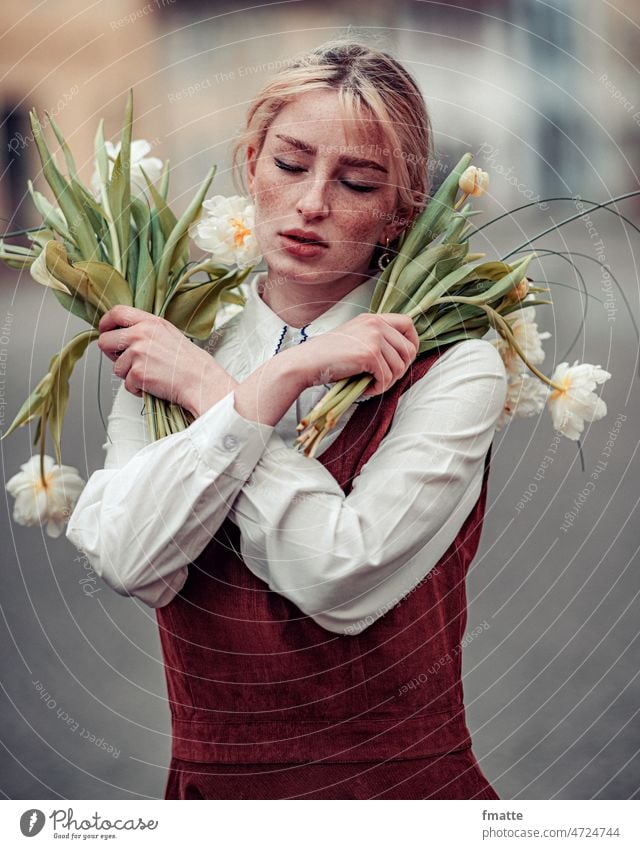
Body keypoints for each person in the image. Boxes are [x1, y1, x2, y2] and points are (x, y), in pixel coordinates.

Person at [67, 39, 507, 800]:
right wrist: (273, 381)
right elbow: (131, 559)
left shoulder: (457, 368)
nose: (312, 203)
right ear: (250, 164)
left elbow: (339, 574)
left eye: (358, 182)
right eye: (291, 164)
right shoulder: (182, 334)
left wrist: (219, 393)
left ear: (401, 210)